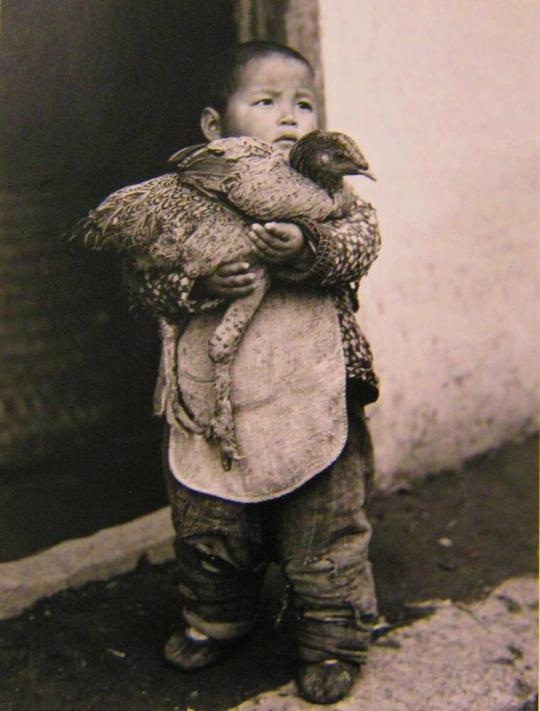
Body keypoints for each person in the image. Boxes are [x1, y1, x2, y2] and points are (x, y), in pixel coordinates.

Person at [128, 40, 381, 705]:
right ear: (216, 126)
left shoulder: (330, 190)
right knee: (213, 524)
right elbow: (150, 279)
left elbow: (361, 241)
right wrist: (198, 275)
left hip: (311, 389)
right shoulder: (188, 196)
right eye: (266, 102)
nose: (290, 117)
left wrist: (308, 245)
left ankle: (333, 635)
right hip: (219, 398)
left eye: (303, 102)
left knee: (322, 525)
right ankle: (217, 617)